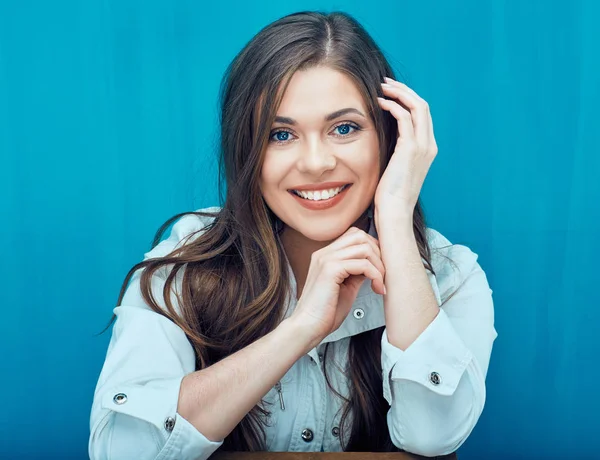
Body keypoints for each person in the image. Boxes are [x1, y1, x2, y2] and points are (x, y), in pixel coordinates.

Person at [89, 10, 497, 460]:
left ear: (389, 137)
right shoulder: (186, 263)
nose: (316, 162)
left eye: (344, 128)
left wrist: (395, 216)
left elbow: (433, 436)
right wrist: (301, 328)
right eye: (280, 135)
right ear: (247, 150)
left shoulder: (449, 276)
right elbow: (121, 451)